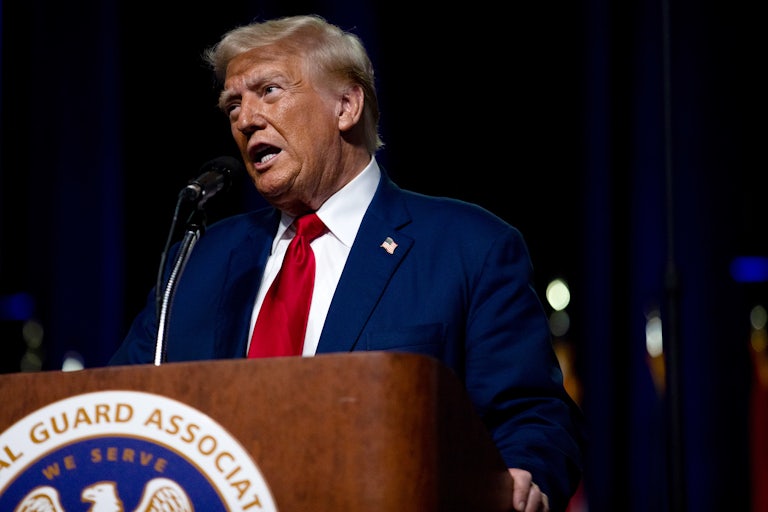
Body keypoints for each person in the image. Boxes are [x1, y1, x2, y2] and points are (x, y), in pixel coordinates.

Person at [109, 14, 585, 512]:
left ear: (346, 105)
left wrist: (526, 474)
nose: (246, 118)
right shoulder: (201, 259)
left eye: (268, 91)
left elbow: (533, 415)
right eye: (233, 104)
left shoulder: (469, 247)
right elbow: (118, 401)